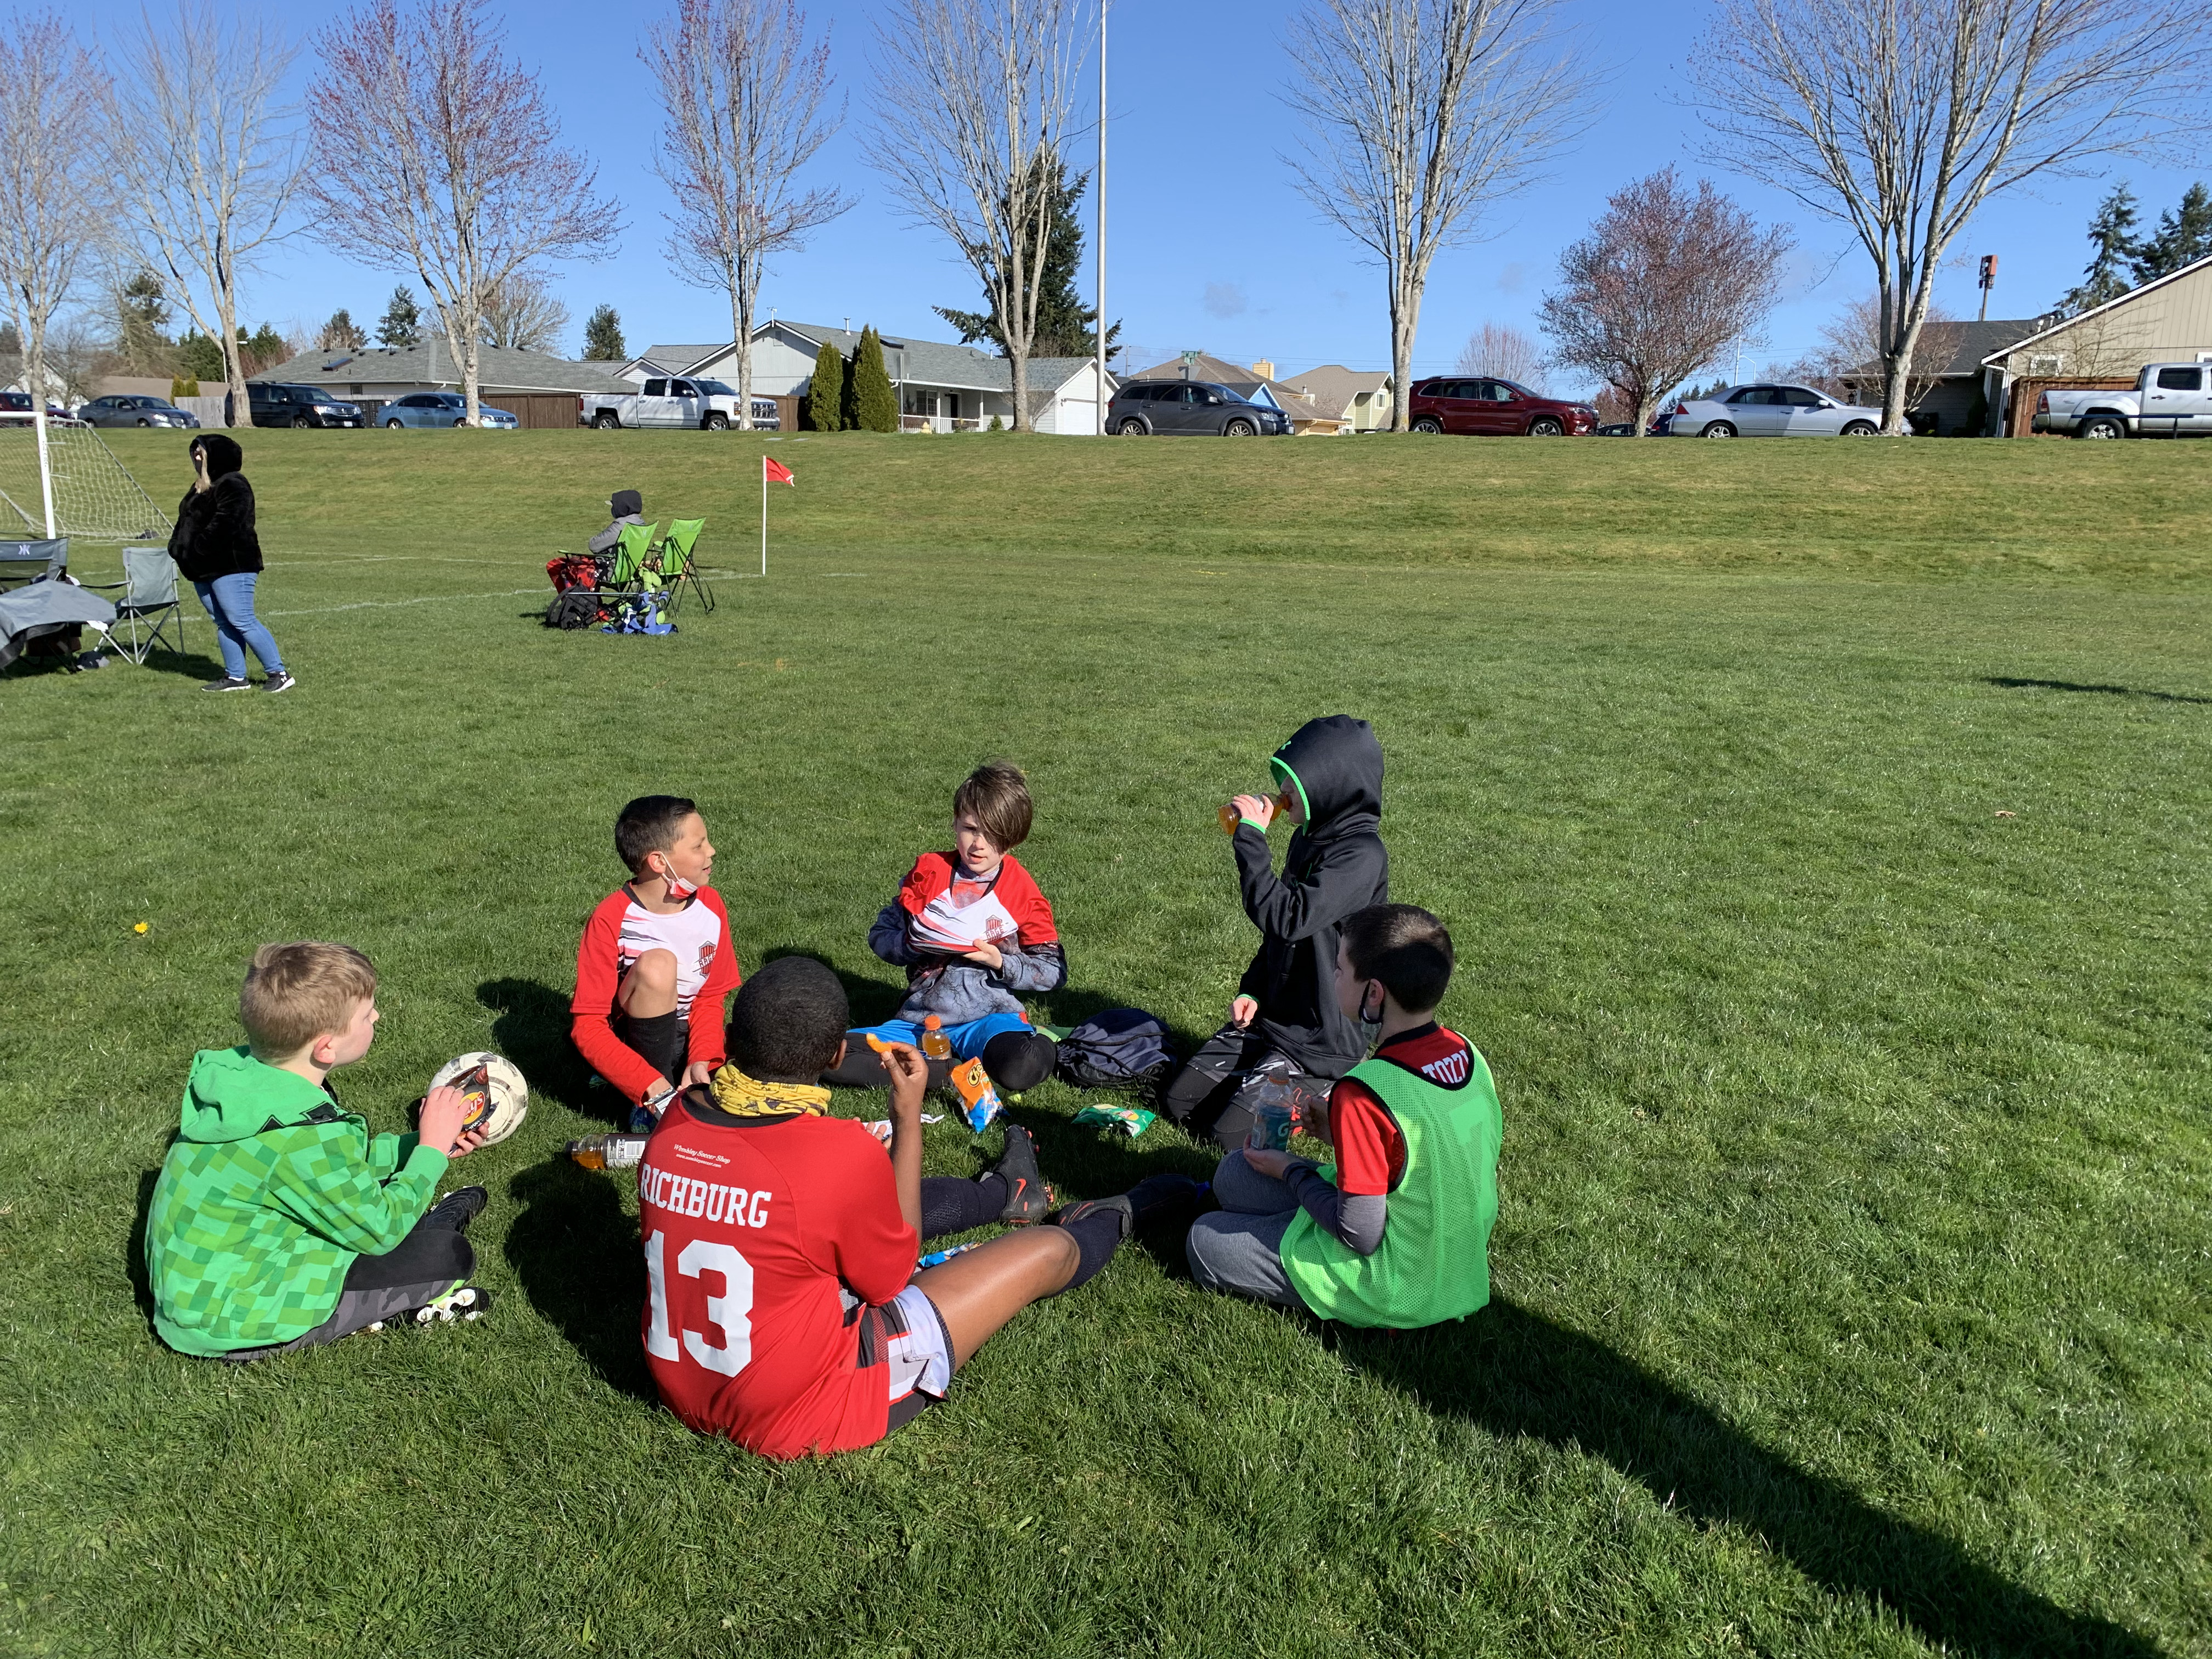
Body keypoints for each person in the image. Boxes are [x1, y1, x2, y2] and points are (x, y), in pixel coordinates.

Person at [640, 955, 1192, 1459]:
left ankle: (1004, 1193)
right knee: (1046, 1251)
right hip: (805, 1408)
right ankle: (1128, 1212)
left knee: (852, 1214)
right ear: (836, 1054)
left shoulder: (676, 1122)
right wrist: (907, 1119)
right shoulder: (835, 1150)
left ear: (734, 1039)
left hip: (684, 1384)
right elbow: (890, 1280)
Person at [144, 942, 491, 1359]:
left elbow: (331, 1166)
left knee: (390, 1222)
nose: (377, 1016)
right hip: (235, 1321)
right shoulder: (299, 1136)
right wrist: (431, 1152)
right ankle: (405, 1292)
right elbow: (378, 1230)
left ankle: (426, 1222)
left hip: (208, 1291)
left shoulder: (251, 1084)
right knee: (446, 1257)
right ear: (325, 1047)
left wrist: (420, 1143)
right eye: (366, 1014)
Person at [1184, 904, 1500, 1328]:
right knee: (1234, 1174)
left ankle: (1308, 1253)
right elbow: (1432, 1151)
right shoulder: (1467, 1053)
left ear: (1374, 993)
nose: (1332, 977)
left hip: (1397, 1283)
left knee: (1203, 1240)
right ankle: (1287, 1226)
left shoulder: (1365, 1089)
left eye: (1338, 969)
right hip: (1456, 1260)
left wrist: (1291, 1170)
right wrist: (1341, 1136)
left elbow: (1360, 1236)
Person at [1161, 715, 1389, 1149]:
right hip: (1276, 1020)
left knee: (1230, 1140)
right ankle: (1262, 1069)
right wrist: (1254, 990)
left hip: (1323, 1039)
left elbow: (1289, 917)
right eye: (1283, 779)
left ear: (1333, 786)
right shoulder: (1309, 837)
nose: (1283, 792)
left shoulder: (1362, 856)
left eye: (1294, 783)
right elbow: (1283, 937)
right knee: (1179, 1103)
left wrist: (1250, 841)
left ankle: (1327, 1086)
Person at [822, 761, 1062, 1096]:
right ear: (955, 823)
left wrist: (999, 962)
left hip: (989, 1019)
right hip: (922, 1020)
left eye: (993, 835)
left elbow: (1053, 972)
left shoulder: (1022, 892)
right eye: (970, 828)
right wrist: (913, 943)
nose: (978, 844)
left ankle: (1041, 1041)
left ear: (1013, 840)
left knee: (1021, 1068)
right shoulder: (929, 872)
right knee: (831, 1058)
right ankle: (948, 1073)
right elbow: (879, 935)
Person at [571, 795, 743, 1132]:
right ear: (659, 862)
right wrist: (650, 1086)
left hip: (689, 1034)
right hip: (637, 1041)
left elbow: (709, 999)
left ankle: (682, 1081)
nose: (711, 851)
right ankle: (646, 1103)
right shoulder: (611, 918)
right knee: (658, 965)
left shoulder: (711, 904)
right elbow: (588, 1026)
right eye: (699, 845)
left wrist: (702, 1058)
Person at [168, 433, 293, 694]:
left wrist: (199, 548)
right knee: (224, 623)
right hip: (202, 568)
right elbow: (185, 523)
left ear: (216, 455)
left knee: (242, 619)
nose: (196, 457)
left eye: (201, 452)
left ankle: (278, 673)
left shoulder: (233, 483)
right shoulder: (200, 486)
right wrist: (179, 549)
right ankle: (236, 677)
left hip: (231, 565)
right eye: (194, 453)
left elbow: (228, 522)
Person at [588, 489, 648, 555]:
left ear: (622, 508)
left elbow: (594, 545)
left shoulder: (620, 526)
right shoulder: (641, 523)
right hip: (633, 563)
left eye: (614, 507)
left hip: (613, 564)